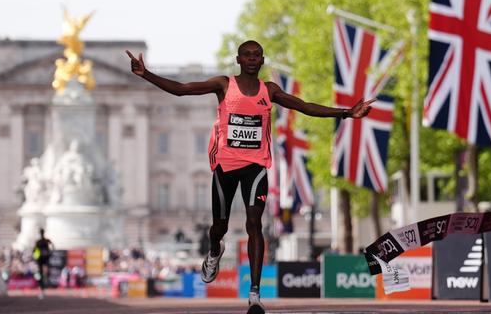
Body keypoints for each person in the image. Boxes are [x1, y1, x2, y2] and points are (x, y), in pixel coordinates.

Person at [127, 41, 375, 314]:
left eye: (257, 55)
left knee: (254, 222)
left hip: (256, 166)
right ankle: (213, 251)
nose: (252, 59)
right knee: (218, 227)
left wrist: (347, 113)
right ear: (238, 59)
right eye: (247, 55)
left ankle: (255, 293)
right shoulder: (223, 85)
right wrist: (145, 74)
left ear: (263, 60)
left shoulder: (269, 90)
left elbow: (304, 106)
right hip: (225, 166)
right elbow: (182, 90)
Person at [33, 229, 54, 298]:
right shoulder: (39, 242)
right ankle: (42, 286)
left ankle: (45, 282)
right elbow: (34, 250)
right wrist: (36, 256)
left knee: (45, 271)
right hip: (41, 259)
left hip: (45, 259)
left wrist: (50, 252)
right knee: (41, 273)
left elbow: (52, 246)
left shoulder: (45, 241)